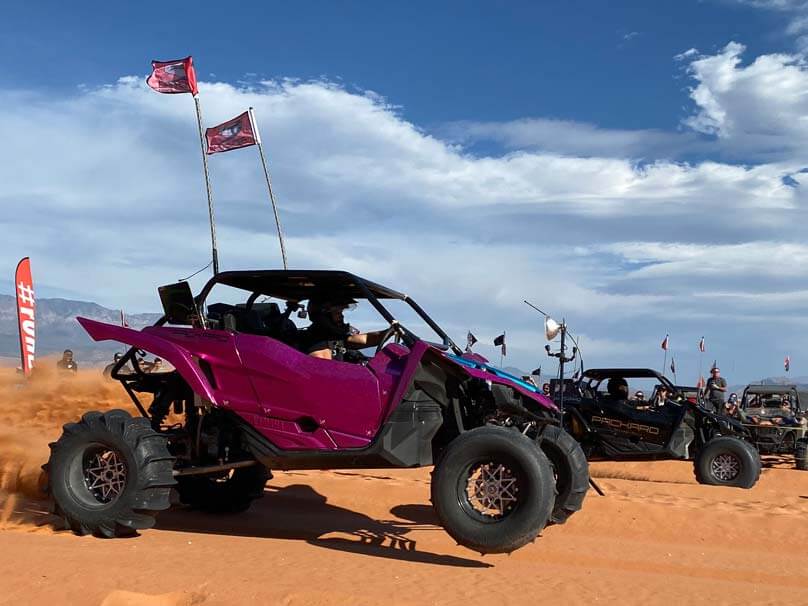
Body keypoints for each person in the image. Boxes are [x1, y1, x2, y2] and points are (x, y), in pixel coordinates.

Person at [299, 297, 392, 361]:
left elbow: (366, 339)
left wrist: (392, 330)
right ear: (324, 316)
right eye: (338, 313)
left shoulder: (334, 337)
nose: (342, 316)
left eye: (341, 312)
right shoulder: (318, 345)